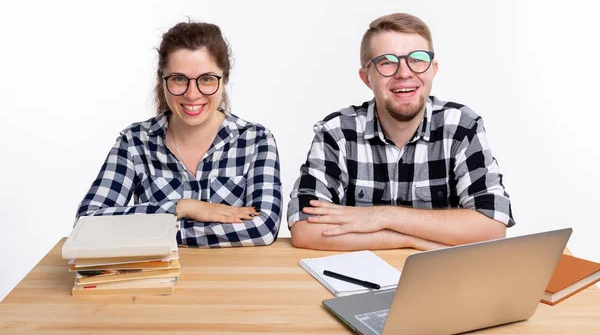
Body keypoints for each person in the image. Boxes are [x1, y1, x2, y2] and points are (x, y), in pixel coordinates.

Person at [288, 13, 514, 251]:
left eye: (417, 59)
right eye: (387, 62)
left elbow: (492, 226)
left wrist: (384, 216)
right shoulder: (337, 133)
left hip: (440, 282)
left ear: (433, 70)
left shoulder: (461, 127)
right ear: (366, 78)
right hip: (358, 283)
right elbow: (305, 229)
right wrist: (406, 240)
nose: (404, 73)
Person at [77, 21, 282, 247]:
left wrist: (160, 232)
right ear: (162, 80)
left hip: (232, 279)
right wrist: (184, 207)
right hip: (157, 279)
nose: (192, 94)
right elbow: (87, 223)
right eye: (178, 79)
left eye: (206, 79)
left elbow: (263, 228)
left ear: (225, 79)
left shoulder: (256, 140)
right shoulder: (135, 142)